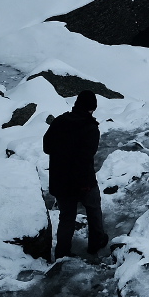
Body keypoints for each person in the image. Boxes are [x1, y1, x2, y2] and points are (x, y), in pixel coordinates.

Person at [43, 92, 108, 259]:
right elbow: (86, 157)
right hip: (83, 181)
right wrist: (84, 183)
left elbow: (47, 147)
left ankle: (62, 253)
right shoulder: (90, 128)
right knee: (93, 209)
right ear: (92, 108)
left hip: (60, 181)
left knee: (67, 218)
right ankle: (96, 243)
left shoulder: (59, 121)